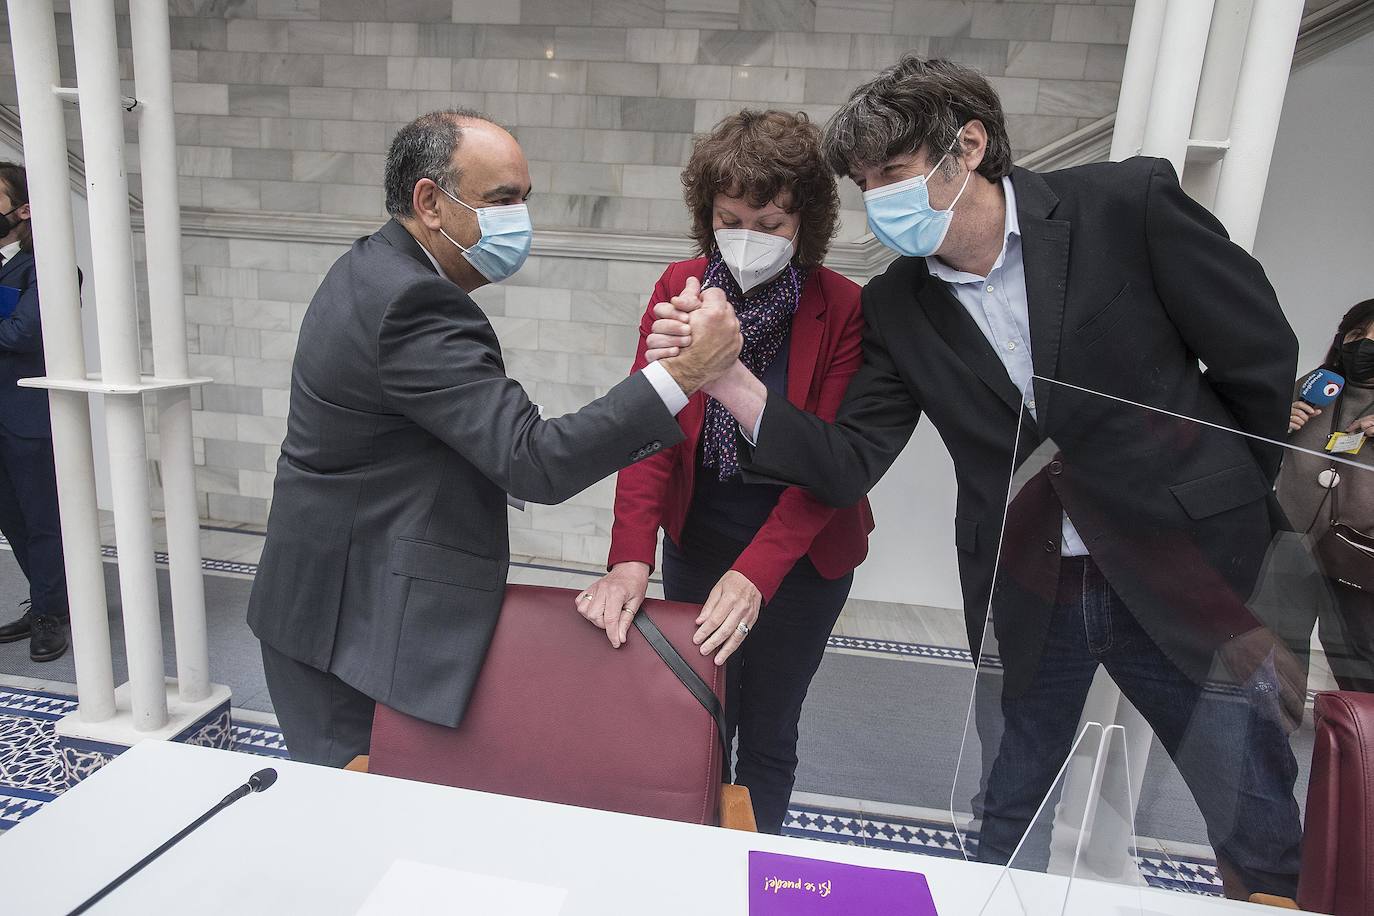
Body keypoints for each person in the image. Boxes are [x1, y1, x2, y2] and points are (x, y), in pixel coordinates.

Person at [645, 57, 1303, 899]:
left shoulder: (1123, 205)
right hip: (1032, 583)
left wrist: (1229, 502)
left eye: (893, 173)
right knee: (1009, 802)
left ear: (968, 146)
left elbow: (1258, 355)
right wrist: (730, 380)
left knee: (1246, 792)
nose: (878, 198)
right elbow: (847, 463)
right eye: (863, 181)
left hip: (1182, 565)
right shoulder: (898, 305)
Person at [246, 110, 742, 767]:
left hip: (329, 601)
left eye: (524, 199)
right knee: (361, 817)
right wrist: (684, 374)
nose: (519, 219)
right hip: (349, 630)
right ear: (430, 202)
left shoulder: (374, 267)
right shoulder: (413, 304)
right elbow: (534, 461)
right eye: (501, 200)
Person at [575, 111, 873, 834]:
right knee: (700, 714)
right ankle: (694, 865)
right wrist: (627, 559)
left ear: (806, 223)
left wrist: (758, 574)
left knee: (769, 732)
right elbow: (650, 433)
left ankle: (754, 866)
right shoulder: (680, 286)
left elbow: (829, 469)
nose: (747, 237)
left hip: (803, 557)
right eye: (729, 217)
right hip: (700, 536)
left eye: (770, 222)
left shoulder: (842, 308)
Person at [1280, 298, 1374, 693]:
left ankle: (1362, 744)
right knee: (1280, 653)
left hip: (1358, 552)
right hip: (1290, 544)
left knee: (1360, 657)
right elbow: (1253, 451)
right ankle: (1269, 746)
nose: (1366, 346)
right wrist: (1277, 422)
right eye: (1357, 335)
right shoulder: (1313, 387)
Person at [0, 161, 68, 663]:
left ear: (22, 209)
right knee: (11, 519)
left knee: (43, 519)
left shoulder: (49, 266)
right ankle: (48, 599)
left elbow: (24, 335)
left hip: (30, 417)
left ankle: (52, 615)